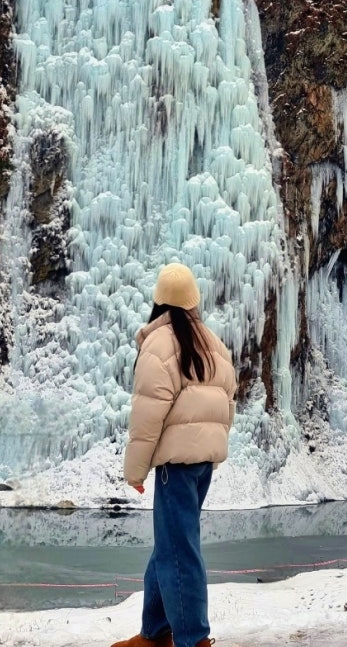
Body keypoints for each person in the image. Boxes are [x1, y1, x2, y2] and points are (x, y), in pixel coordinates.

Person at [111, 262, 237, 647]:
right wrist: (212, 451)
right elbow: (228, 402)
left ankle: (194, 639)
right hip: (202, 465)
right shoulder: (212, 344)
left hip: (175, 467)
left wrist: (135, 472)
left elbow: (147, 416)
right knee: (170, 545)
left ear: (159, 301)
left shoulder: (159, 344)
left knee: (178, 551)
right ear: (194, 301)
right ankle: (155, 633)